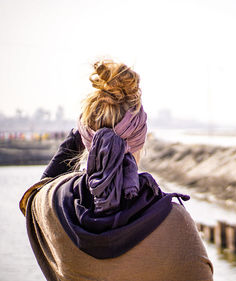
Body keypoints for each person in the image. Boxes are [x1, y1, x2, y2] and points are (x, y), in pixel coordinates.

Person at [19, 59, 213, 281]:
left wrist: (82, 134)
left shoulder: (53, 206)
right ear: (140, 140)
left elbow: (35, 194)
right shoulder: (174, 222)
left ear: (86, 139)